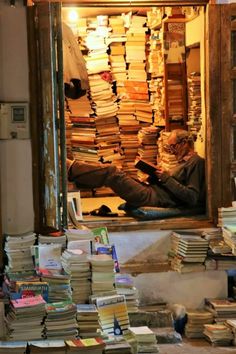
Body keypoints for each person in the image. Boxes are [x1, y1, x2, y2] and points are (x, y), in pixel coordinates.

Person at [66, 129, 205, 210]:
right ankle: (72, 171)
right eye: (169, 148)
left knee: (112, 172)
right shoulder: (182, 163)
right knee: (118, 173)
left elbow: (191, 197)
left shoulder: (196, 163)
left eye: (173, 146)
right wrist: (154, 176)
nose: (172, 152)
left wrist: (166, 178)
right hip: (151, 190)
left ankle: (70, 169)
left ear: (185, 143)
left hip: (153, 198)